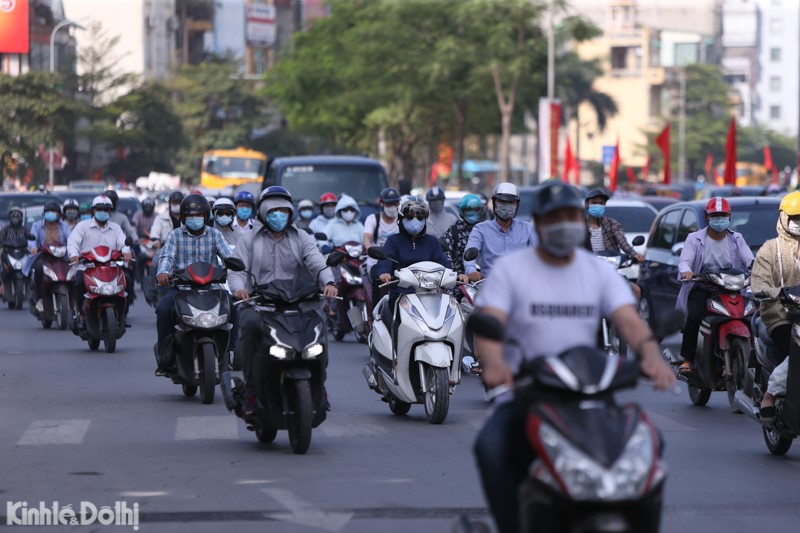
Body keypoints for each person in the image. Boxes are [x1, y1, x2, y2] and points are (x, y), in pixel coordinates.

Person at [471, 181, 675, 533]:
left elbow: (627, 319)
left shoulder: (595, 270)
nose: (564, 224)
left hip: (590, 390)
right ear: (539, 223)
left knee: (651, 441)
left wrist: (651, 354)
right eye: (555, 217)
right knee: (490, 447)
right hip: (528, 389)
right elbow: (490, 323)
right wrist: (495, 364)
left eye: (570, 216)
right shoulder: (511, 270)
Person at [228, 186, 338, 414]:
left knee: (319, 331)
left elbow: (318, 262)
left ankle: (319, 387)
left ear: (290, 213)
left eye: (283, 210)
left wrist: (328, 282)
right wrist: (239, 289)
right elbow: (236, 270)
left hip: (299, 304)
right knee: (248, 327)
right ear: (263, 212)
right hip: (260, 304)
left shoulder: (302, 238)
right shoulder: (248, 240)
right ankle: (250, 390)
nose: (278, 215)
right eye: (273, 210)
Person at [154, 194, 234, 376]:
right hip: (182, 289)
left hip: (211, 288)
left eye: (199, 216)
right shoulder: (175, 235)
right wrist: (163, 273)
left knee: (232, 306)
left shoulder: (215, 234)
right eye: (190, 216)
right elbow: (167, 257)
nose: (195, 219)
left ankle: (228, 353)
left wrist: (235, 265)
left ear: (206, 217)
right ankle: (165, 357)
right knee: (164, 309)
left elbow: (228, 255)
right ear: (183, 217)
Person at [677, 197, 754, 376]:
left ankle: (752, 358)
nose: (719, 219)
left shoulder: (737, 238)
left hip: (731, 287)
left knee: (751, 316)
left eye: (723, 215)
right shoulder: (694, 239)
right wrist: (687, 272)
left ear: (729, 216)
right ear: (707, 217)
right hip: (703, 286)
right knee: (694, 316)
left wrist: (758, 269)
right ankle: (688, 358)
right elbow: (685, 261)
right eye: (715, 215)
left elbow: (749, 259)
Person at [751, 192, 800, 421]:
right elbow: (758, 282)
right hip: (779, 314)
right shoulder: (770, 249)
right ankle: (770, 395)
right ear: (783, 218)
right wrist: (777, 292)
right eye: (796, 218)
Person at [377, 199, 468, 316]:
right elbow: (386, 259)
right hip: (401, 295)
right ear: (400, 220)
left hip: (432, 296)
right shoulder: (393, 241)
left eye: (420, 218)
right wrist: (384, 273)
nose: (415, 221)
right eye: (410, 218)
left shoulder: (432, 242)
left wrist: (457, 275)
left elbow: (444, 262)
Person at [67, 196, 131, 331]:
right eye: (100, 209)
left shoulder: (116, 228)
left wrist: (126, 251)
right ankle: (81, 316)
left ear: (110, 211)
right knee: (78, 283)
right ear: (94, 210)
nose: (103, 212)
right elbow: (73, 242)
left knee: (128, 280)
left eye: (106, 209)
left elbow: (123, 243)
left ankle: (122, 315)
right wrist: (74, 255)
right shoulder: (82, 227)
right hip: (87, 268)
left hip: (111, 267)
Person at [464, 183, 537, 281]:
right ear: (494, 203)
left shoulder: (528, 229)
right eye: (502, 201)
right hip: (488, 286)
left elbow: (539, 255)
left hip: (520, 287)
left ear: (517, 204)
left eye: (511, 202)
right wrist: (471, 271)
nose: (506, 206)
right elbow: (470, 254)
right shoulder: (480, 230)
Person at [583, 188, 645, 299]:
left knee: (636, 290)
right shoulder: (580, 226)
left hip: (610, 271)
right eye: (594, 203)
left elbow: (622, 242)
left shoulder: (612, 224)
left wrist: (634, 254)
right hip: (586, 272)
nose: (598, 205)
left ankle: (630, 316)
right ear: (587, 204)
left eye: (601, 203)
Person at [28, 202, 72, 305]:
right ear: (44, 214)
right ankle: (39, 298)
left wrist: (73, 251)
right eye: (48, 212)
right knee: (38, 268)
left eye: (53, 212)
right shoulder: (37, 225)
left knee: (73, 272)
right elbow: (32, 239)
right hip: (44, 256)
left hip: (62, 257)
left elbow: (71, 240)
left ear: (59, 214)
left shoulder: (64, 226)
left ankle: (73, 303)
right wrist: (33, 247)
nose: (50, 214)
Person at [363, 187, 401, 304]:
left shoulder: (402, 219)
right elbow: (367, 237)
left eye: (395, 203)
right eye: (389, 204)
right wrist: (370, 249)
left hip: (397, 261)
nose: (392, 207)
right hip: (376, 262)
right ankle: (376, 312)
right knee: (378, 280)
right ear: (382, 204)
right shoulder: (373, 219)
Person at [442, 193, 484, 277]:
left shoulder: (485, 230)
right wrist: (456, 275)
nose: (472, 213)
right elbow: (446, 256)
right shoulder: (453, 231)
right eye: (468, 210)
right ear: (461, 211)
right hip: (460, 281)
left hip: (484, 279)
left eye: (476, 209)